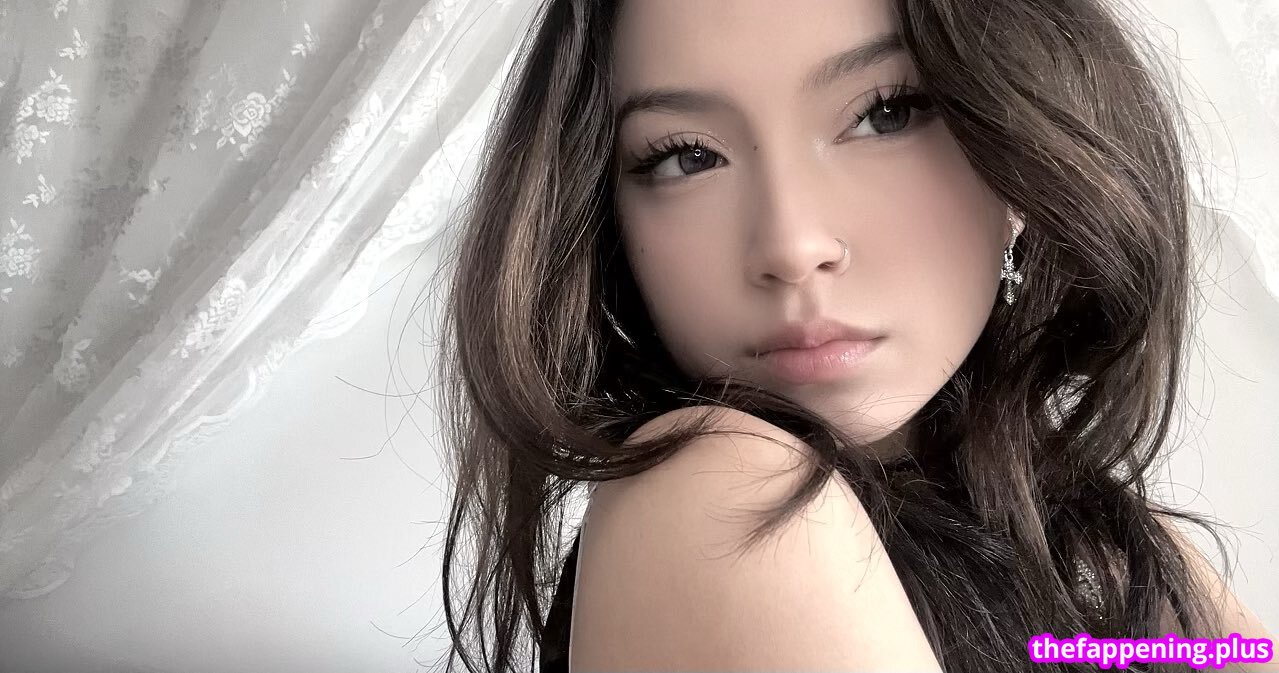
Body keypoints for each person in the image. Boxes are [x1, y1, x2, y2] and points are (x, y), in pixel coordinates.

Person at [432, 0, 1277, 671]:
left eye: (886, 113)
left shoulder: (1108, 543)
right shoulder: (721, 495)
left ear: (1019, 154)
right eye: (687, 156)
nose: (791, 244)